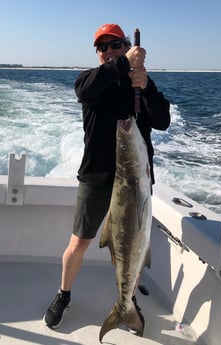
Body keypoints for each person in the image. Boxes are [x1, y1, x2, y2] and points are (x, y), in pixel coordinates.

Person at [43, 23, 170, 331]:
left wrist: (147, 84)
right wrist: (125, 63)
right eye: (104, 47)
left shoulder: (139, 84)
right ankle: (64, 294)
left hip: (136, 183)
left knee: (135, 244)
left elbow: (163, 121)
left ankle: (128, 302)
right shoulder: (90, 80)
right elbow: (86, 91)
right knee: (79, 242)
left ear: (126, 44)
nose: (110, 50)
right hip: (96, 179)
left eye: (116, 45)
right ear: (98, 54)